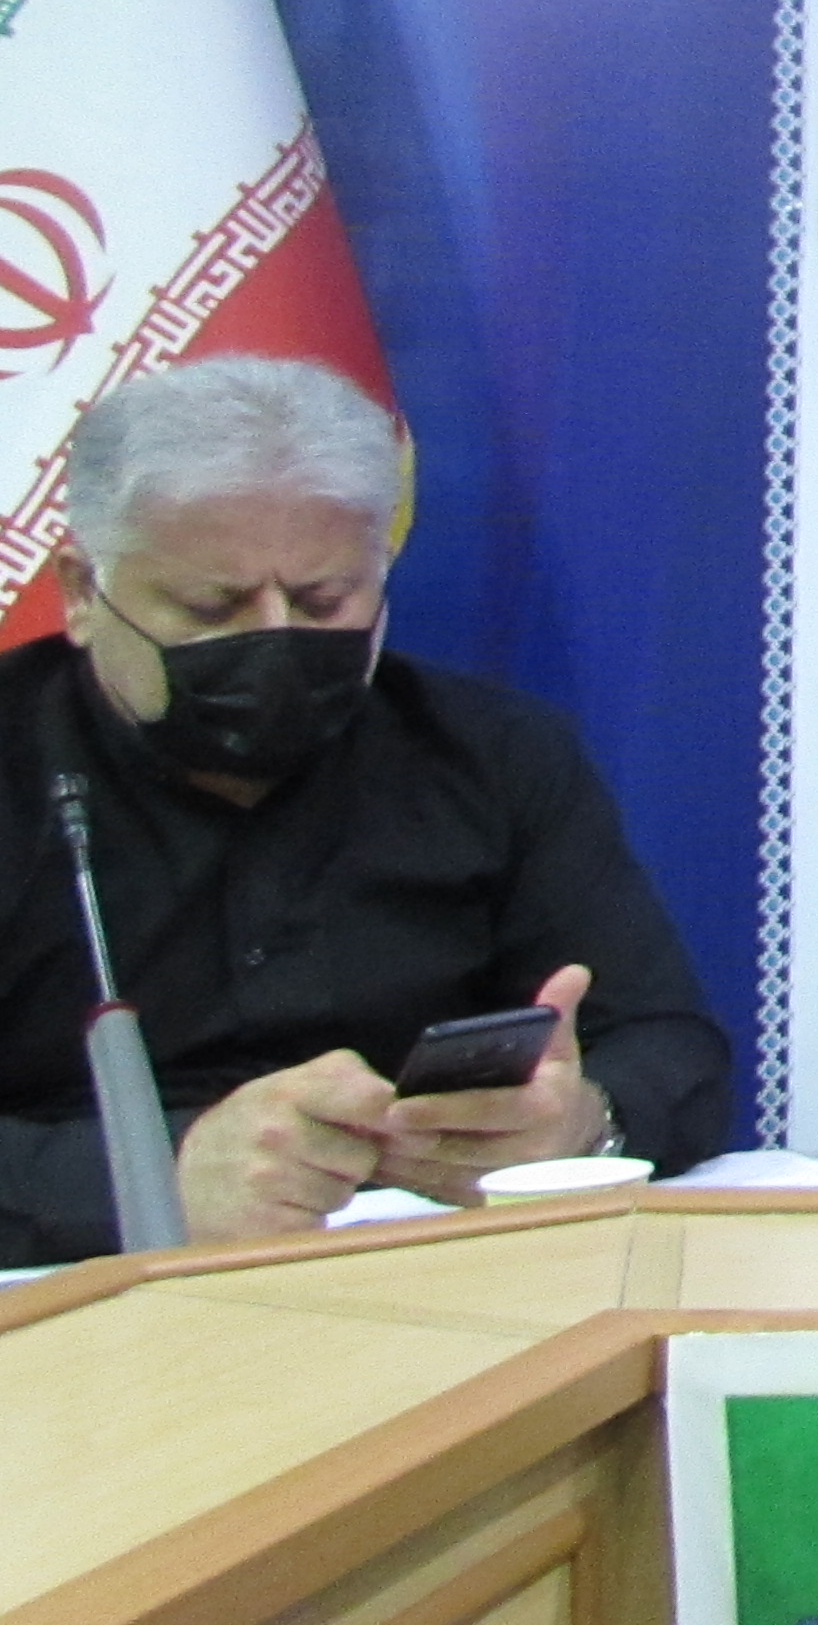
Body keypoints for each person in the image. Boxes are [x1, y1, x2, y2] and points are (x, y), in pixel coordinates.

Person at [0, 357, 728, 1263]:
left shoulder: (495, 754)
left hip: (434, 1278)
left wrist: (584, 1123)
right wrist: (146, 1182)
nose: (273, 642)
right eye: (211, 606)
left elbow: (671, 1047)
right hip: (75, 1297)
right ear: (81, 591)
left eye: (322, 601)